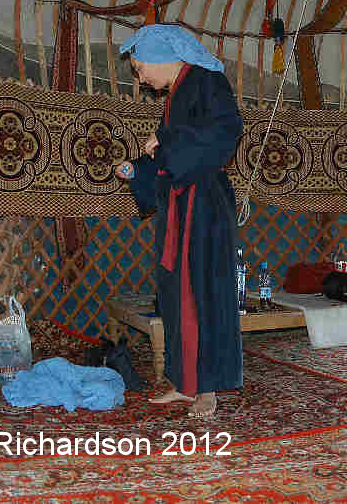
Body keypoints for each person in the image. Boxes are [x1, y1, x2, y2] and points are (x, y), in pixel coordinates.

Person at [114, 24, 243, 418]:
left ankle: (207, 388)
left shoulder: (207, 81)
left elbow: (226, 131)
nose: (140, 78)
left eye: (139, 69)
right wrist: (137, 170)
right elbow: (171, 161)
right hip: (181, 207)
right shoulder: (177, 94)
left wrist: (166, 142)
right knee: (176, 294)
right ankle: (185, 383)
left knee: (201, 291)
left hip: (203, 207)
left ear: (160, 56)